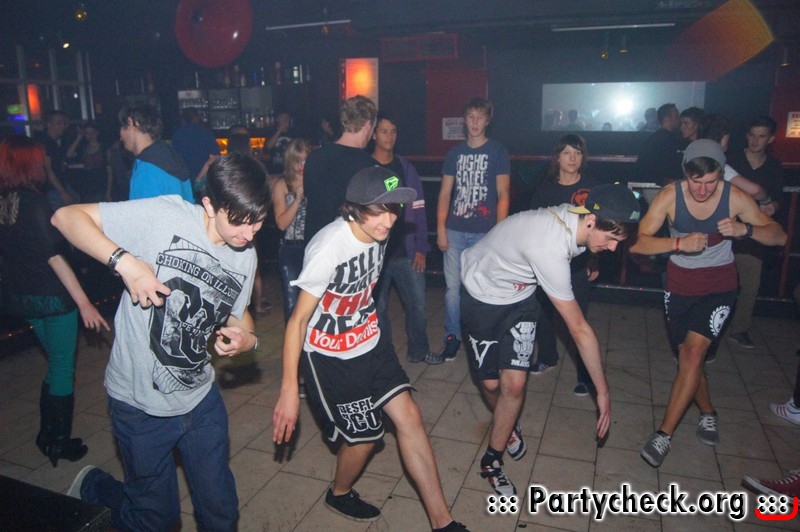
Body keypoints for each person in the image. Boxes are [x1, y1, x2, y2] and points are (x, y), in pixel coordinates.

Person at [57, 152, 270, 531]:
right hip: (139, 405)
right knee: (155, 518)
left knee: (221, 510)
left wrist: (248, 338)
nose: (250, 233)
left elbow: (238, 312)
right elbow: (66, 217)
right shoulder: (166, 215)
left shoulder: (245, 254)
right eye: (239, 221)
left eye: (259, 221)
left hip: (200, 399)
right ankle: (94, 486)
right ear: (210, 205)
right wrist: (126, 264)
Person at [272, 166, 467, 532]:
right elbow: (297, 322)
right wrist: (288, 391)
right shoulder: (329, 246)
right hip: (329, 356)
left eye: (393, 209)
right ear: (355, 207)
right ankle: (339, 492)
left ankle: (443, 523)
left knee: (410, 416)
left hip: (370, 340)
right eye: (378, 210)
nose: (388, 220)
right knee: (366, 439)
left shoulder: (379, 233)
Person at [461, 184, 640, 496]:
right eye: (611, 239)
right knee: (491, 385)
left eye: (618, 242)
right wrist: (602, 392)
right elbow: (580, 330)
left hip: (521, 299)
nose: (613, 248)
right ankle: (508, 422)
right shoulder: (548, 247)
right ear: (591, 221)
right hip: (482, 295)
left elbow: (586, 237)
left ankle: (492, 461)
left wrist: (593, 255)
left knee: (514, 386)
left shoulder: (579, 218)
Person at [630, 139, 786, 468]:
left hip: (719, 286)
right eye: (695, 181)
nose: (702, 190)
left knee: (691, 355)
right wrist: (677, 243)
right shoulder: (670, 195)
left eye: (711, 182)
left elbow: (779, 235)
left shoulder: (734, 197)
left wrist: (745, 230)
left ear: (722, 174)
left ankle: (663, 435)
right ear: (685, 174)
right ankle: (709, 412)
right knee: (689, 360)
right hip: (679, 285)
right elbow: (639, 244)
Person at [0, 135, 109, 467]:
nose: (45, 162)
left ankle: (46, 434)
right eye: (40, 158)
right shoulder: (35, 204)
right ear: (28, 163)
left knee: (54, 362)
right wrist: (84, 303)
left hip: (24, 298)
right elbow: (56, 258)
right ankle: (58, 443)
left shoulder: (4, 203)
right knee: (62, 366)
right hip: (53, 298)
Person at [430, 97, 510, 364]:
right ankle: (452, 336)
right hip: (455, 229)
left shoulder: (498, 151)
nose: (475, 122)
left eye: (480, 117)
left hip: (485, 232)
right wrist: (440, 228)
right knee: (452, 289)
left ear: (487, 120)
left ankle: (483, 335)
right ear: (464, 120)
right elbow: (444, 193)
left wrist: (499, 233)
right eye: (471, 117)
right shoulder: (454, 153)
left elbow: (503, 194)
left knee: (482, 287)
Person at [528, 134, 599, 397]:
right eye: (567, 153)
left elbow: (599, 228)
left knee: (578, 320)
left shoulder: (591, 188)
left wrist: (595, 259)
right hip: (548, 261)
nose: (572, 158)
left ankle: (584, 375)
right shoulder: (545, 189)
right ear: (557, 157)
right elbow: (533, 226)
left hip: (578, 264)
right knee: (544, 312)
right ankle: (547, 356)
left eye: (577, 153)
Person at [371, 114, 433, 363]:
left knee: (418, 307)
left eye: (393, 131)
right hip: (375, 255)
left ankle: (419, 350)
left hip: (405, 251)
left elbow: (418, 208)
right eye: (384, 131)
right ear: (373, 134)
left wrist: (421, 247)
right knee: (377, 310)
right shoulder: (366, 168)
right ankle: (384, 357)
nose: (389, 136)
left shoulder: (405, 168)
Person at [724, 116, 785, 349]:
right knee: (721, 283)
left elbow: (777, 197)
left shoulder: (774, 166)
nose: (755, 141)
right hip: (726, 231)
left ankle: (739, 329)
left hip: (753, 234)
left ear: (770, 139)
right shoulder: (732, 160)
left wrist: (772, 207)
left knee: (750, 285)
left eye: (761, 136)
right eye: (752, 135)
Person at [303, 95, 378, 243]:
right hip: (346, 248)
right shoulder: (369, 166)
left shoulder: (314, 158)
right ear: (367, 125)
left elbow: (308, 200)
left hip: (314, 243)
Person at [119, 104, 193, 202]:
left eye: (122, 127)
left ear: (131, 122)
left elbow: (145, 211)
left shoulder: (146, 171)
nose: (120, 137)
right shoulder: (170, 156)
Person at [272, 138, 310, 322]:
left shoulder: (315, 181)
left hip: (312, 246)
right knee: (292, 302)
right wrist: (296, 201)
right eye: (297, 161)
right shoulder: (282, 185)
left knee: (313, 302)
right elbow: (281, 224)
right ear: (289, 161)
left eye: (305, 160)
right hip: (290, 248)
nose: (301, 166)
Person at [35, 110, 78, 210]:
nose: (63, 126)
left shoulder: (54, 143)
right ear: (49, 124)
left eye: (64, 123)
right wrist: (63, 192)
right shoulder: (45, 143)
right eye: (59, 123)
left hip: (59, 186)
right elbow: (48, 170)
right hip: (52, 189)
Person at [635, 103, 683, 187]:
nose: (679, 119)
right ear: (667, 119)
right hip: (659, 188)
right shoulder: (665, 140)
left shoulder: (656, 138)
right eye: (676, 116)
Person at [66, 120, 113, 202]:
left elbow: (110, 172)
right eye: (87, 133)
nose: (90, 135)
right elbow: (68, 154)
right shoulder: (83, 149)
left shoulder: (105, 149)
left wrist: (109, 192)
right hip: (86, 190)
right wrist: (79, 137)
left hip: (101, 188)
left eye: (92, 132)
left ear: (97, 133)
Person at [171, 107, 220, 183]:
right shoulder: (206, 133)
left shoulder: (177, 135)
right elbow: (216, 154)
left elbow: (174, 157)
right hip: (203, 175)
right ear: (197, 117)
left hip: (184, 176)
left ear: (183, 119)